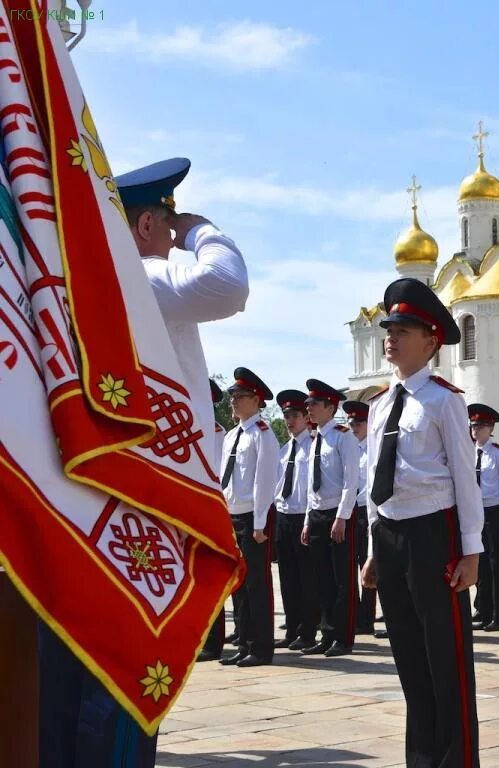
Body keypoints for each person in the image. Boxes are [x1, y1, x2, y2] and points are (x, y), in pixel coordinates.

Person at [38, 158, 249, 767]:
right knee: (127, 667)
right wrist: (202, 230)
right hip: (142, 496)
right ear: (149, 223)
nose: (175, 233)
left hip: (81, 499)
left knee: (67, 673)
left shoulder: (65, 283)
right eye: (170, 220)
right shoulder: (136, 277)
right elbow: (227, 285)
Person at [361, 277, 483, 767]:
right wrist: (373, 549)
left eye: (404, 329)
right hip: (390, 536)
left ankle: (457, 759)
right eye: (389, 328)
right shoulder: (378, 404)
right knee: (409, 658)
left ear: (431, 340)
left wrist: (471, 551)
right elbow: (374, 479)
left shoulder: (443, 399)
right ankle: (422, 758)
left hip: (434, 533)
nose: (391, 337)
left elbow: (463, 477)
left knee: (446, 659)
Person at [218, 368, 280, 668]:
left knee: (257, 583)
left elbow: (264, 481)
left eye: (239, 397)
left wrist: (258, 524)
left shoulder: (262, 435)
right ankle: (243, 642)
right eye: (232, 397)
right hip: (232, 515)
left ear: (255, 400)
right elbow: (224, 479)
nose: (233, 402)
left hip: (254, 518)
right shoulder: (232, 435)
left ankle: (261, 647)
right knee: (238, 584)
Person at [301, 380, 359, 657]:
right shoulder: (315, 439)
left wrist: (342, 517)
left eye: (314, 404)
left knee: (342, 578)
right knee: (321, 577)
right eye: (308, 404)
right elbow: (311, 483)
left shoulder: (342, 436)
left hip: (338, 514)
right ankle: (326, 634)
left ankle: (343, 637)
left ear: (330, 407)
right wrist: (307, 521)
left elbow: (351, 481)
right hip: (317, 514)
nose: (308, 408)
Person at [273, 389, 321, 652]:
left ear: (306, 418)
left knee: (307, 579)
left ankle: (308, 631)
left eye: (294, 415)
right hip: (283, 516)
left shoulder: (313, 446)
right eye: (286, 416)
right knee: (287, 578)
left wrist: (307, 520)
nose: (289, 421)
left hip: (303, 516)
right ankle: (291, 629)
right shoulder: (284, 449)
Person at [468, 403, 499, 632]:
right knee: (480, 563)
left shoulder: (498, 454)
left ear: (491, 427)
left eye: (482, 426)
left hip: (495, 511)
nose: (476, 430)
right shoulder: (469, 452)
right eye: (474, 425)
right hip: (476, 513)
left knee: (497, 564)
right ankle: (482, 609)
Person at [198, 378, 229, 662]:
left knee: (211, 578)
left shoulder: (218, 434)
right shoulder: (190, 427)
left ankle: (213, 640)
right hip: (190, 512)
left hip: (211, 512)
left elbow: (218, 479)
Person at [342, 400, 378, 635]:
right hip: (350, 511)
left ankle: (366, 618)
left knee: (369, 564)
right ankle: (354, 615)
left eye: (359, 422)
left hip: (368, 511)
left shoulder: (374, 449)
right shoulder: (349, 449)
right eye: (351, 422)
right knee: (349, 566)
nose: (353, 426)